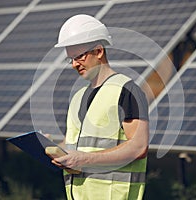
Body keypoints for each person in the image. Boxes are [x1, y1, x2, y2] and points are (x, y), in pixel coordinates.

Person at [51, 14, 149, 200]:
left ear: (98, 51)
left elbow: (138, 147)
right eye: (70, 59)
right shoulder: (78, 98)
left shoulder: (126, 90)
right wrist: (51, 147)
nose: (73, 65)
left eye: (79, 56)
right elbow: (78, 146)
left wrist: (83, 160)